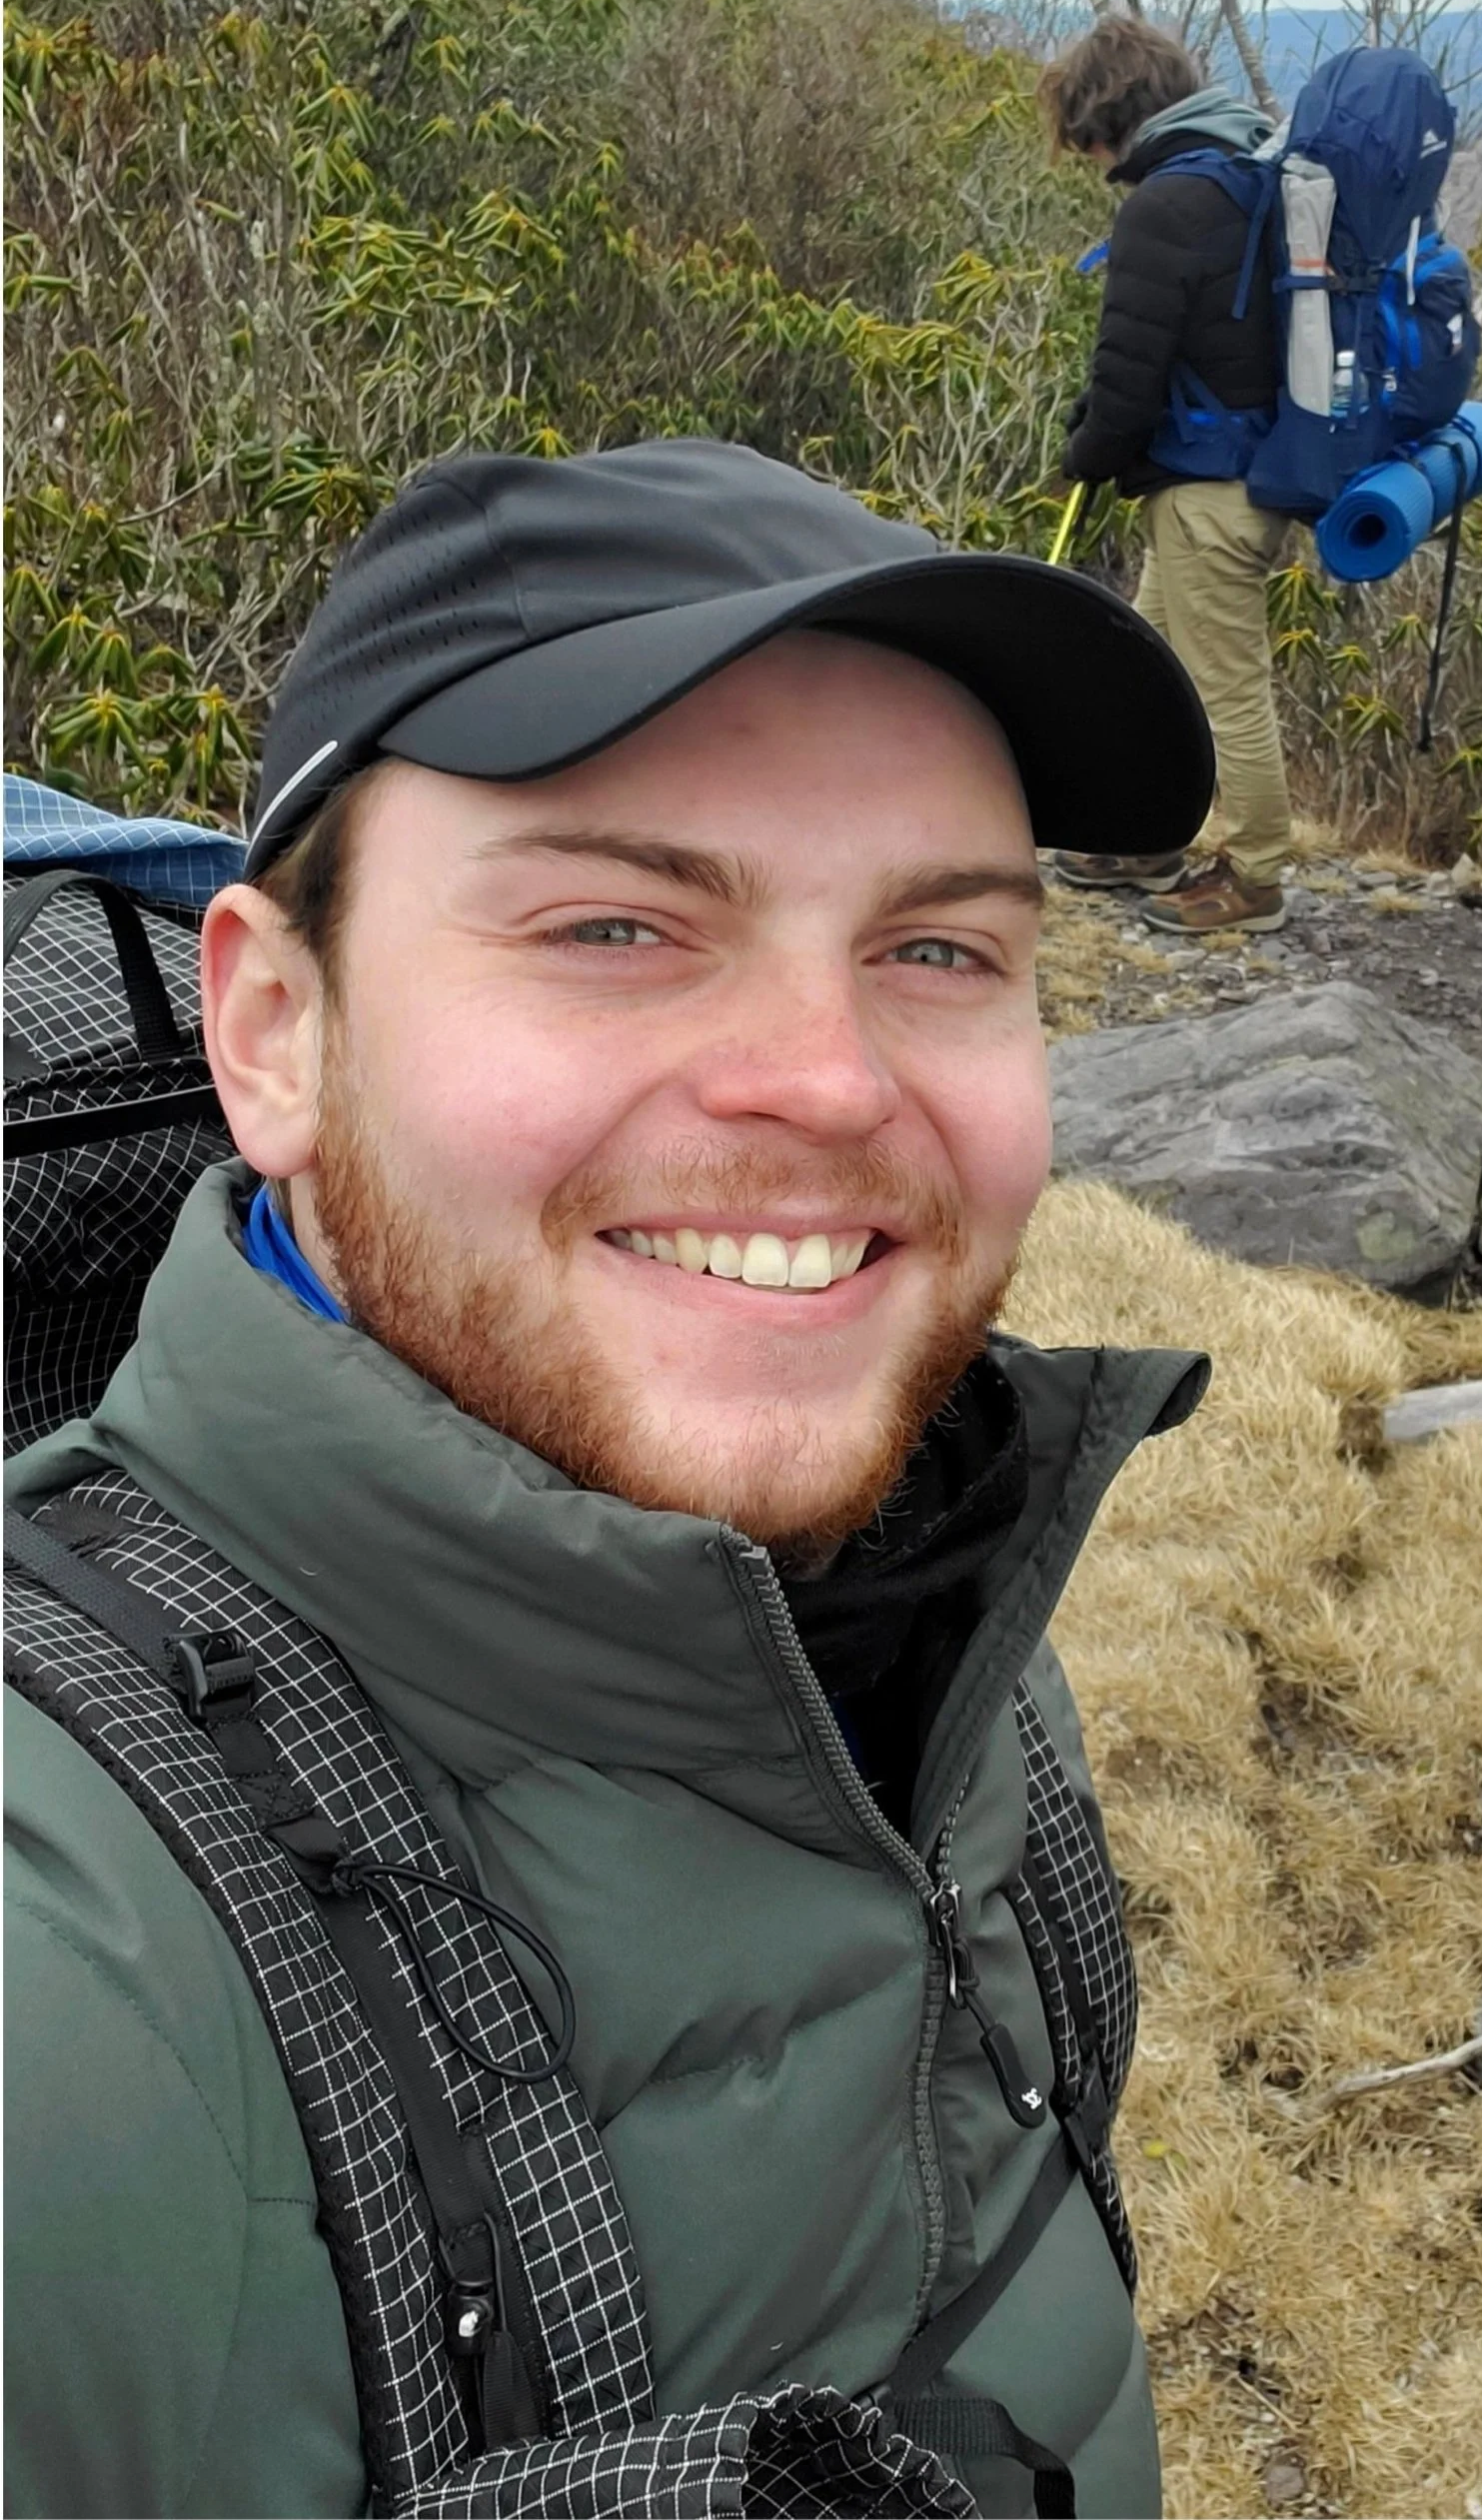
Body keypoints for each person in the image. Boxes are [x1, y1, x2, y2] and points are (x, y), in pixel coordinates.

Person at [3, 441, 1218, 2518]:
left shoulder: (927, 1583)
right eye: (616, 921)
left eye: (940, 949)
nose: (829, 1079)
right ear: (273, 1028)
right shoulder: (75, 1986)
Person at [1037, 12, 1290, 935]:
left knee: (1223, 682)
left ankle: (1257, 872)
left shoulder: (1165, 204)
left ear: (1114, 115)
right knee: (1151, 660)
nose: (1096, 158)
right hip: (1243, 471)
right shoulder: (1244, 171)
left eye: (1091, 137)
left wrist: (1085, 457)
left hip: (1205, 488)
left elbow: (1129, 372)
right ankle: (1149, 830)